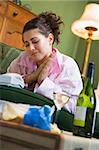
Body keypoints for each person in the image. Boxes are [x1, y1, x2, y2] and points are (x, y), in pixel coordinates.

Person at [7, 11, 83, 113]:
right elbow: (5, 87)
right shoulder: (20, 61)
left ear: (50, 39)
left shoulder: (67, 65)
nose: (31, 48)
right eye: (26, 44)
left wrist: (43, 82)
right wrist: (30, 78)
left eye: (35, 41)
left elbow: (75, 107)